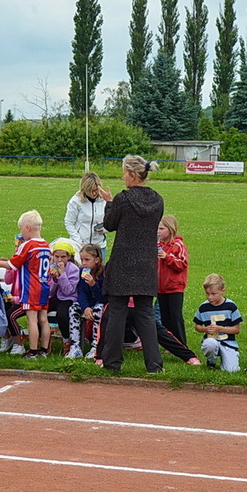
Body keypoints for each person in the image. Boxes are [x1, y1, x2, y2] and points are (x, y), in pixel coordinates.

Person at [97, 155, 164, 373]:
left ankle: (112, 363)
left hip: (123, 263)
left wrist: (109, 203)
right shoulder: (157, 200)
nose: (122, 177)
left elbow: (109, 224)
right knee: (145, 313)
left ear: (133, 174)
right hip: (146, 263)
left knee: (117, 311)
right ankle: (154, 365)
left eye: (125, 173)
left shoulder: (123, 198)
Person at [0, 210, 52, 358]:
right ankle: (45, 349)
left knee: (31, 319)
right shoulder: (46, 245)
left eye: (21, 228)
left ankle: (33, 351)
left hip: (31, 287)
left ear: (27, 228)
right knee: (43, 319)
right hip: (44, 286)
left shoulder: (28, 246)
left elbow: (11, 265)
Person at [193, 274, 242, 372]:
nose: (210, 297)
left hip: (228, 342)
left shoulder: (231, 306)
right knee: (209, 344)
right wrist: (205, 329)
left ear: (223, 291)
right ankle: (211, 360)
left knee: (231, 370)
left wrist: (220, 329)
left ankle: (229, 358)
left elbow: (237, 329)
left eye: (214, 294)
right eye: (207, 294)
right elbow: (197, 326)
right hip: (212, 340)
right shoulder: (203, 307)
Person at [68, 244, 106, 359]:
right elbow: (81, 292)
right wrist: (85, 307)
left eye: (87, 260)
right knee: (73, 308)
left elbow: (103, 297)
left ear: (97, 260)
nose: (84, 263)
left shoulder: (103, 273)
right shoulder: (81, 272)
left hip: (100, 303)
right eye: (82, 259)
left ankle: (95, 345)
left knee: (99, 310)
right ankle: (75, 346)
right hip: (87, 304)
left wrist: (93, 285)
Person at [157, 215, 189, 345]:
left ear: (170, 229)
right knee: (165, 318)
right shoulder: (158, 245)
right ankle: (170, 344)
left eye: (161, 229)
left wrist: (167, 257)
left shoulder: (178, 245)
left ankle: (181, 343)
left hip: (175, 287)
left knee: (175, 317)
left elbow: (182, 264)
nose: (158, 232)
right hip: (161, 287)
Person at [64, 172, 108, 260]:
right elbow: (69, 222)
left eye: (96, 190)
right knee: (79, 272)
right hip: (80, 246)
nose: (94, 193)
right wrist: (79, 242)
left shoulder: (104, 200)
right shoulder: (75, 201)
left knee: (99, 272)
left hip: (99, 246)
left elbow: (111, 220)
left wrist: (105, 229)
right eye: (91, 191)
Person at [48, 239, 80, 354]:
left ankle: (67, 340)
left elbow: (68, 291)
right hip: (55, 297)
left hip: (68, 298)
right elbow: (50, 293)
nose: (59, 260)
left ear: (69, 257)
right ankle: (44, 340)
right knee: (40, 310)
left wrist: (62, 275)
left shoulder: (74, 270)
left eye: (63, 257)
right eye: (57, 257)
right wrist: (54, 279)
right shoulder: (51, 267)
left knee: (62, 314)